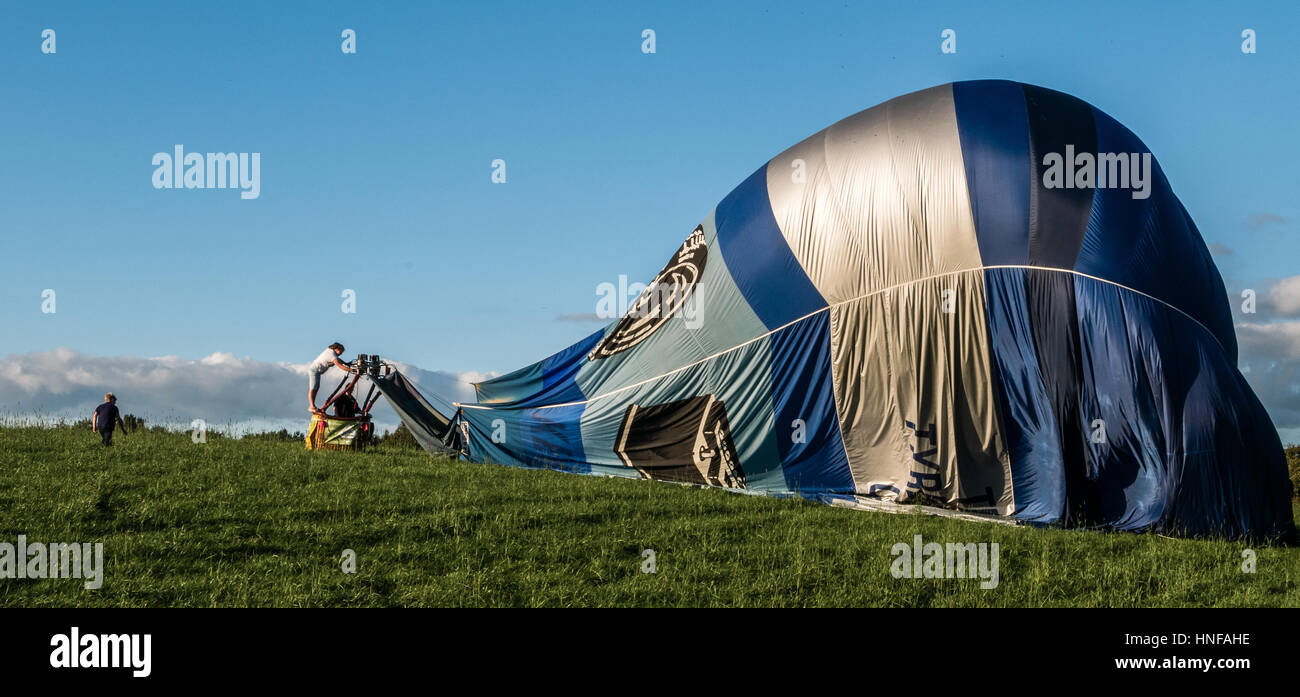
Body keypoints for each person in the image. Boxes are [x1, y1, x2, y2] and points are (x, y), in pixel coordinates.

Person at [308, 342, 352, 414]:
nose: (341, 353)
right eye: (341, 351)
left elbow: (339, 360)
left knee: (316, 388)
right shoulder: (331, 354)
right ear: (337, 349)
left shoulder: (331, 352)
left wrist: (347, 363)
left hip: (316, 371)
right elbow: (339, 365)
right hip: (315, 370)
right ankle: (311, 406)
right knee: (313, 388)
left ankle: (313, 406)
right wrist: (350, 370)